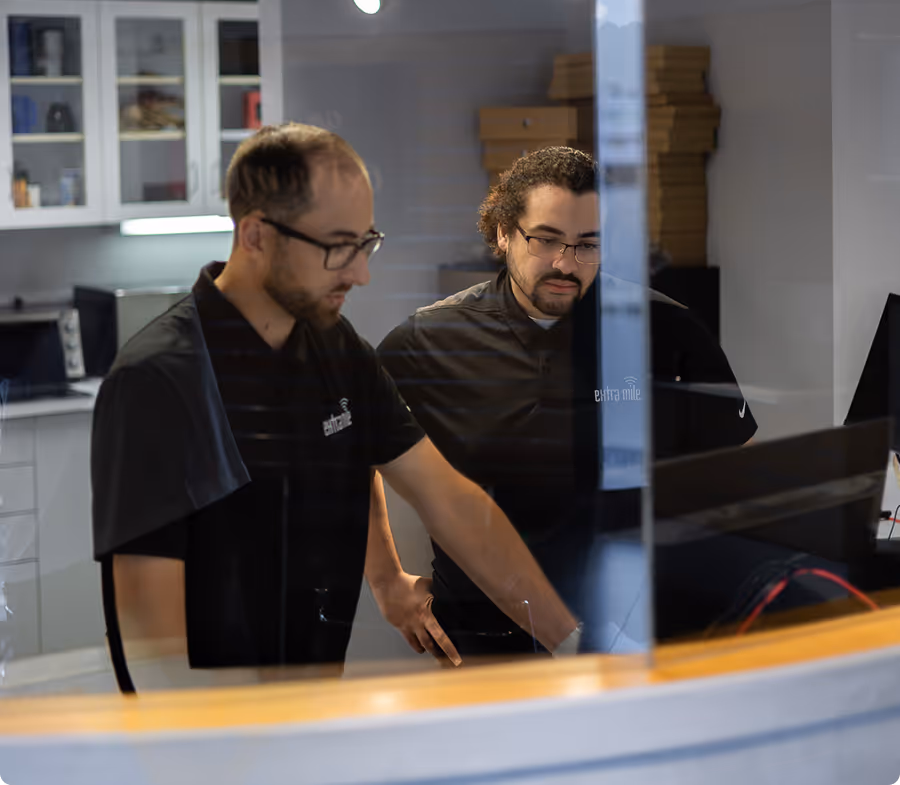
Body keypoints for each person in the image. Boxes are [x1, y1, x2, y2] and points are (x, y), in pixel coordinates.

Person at [90, 124, 579, 691]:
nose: (361, 273)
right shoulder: (157, 381)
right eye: (338, 248)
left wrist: (572, 643)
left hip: (311, 709)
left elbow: (451, 502)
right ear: (255, 236)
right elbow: (150, 629)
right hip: (211, 737)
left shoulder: (337, 349)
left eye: (366, 242)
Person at [376, 145, 757, 658]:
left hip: (635, 629)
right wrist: (387, 582)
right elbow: (352, 450)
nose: (565, 264)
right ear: (504, 233)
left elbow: (728, 471)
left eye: (587, 245)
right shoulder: (429, 341)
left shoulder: (666, 330)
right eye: (546, 240)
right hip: (488, 635)